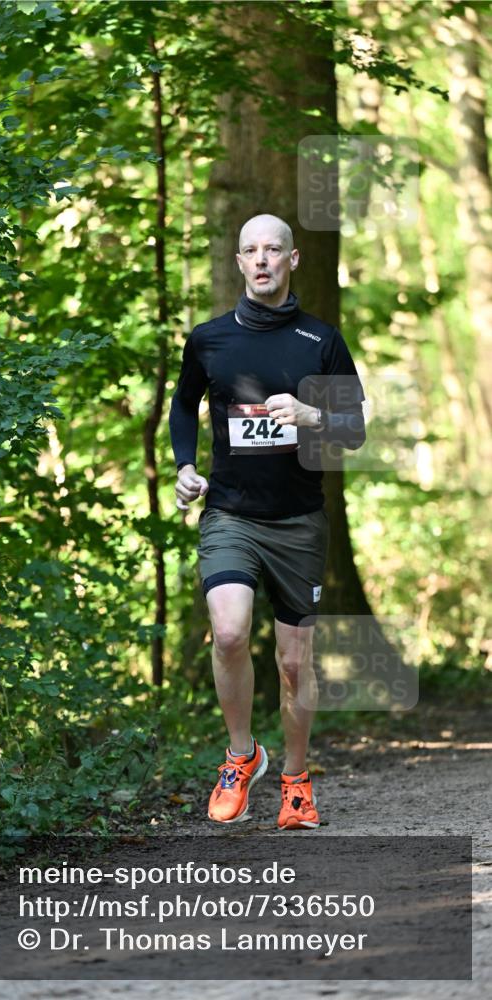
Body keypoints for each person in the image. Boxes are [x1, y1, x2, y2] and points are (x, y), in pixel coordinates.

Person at [169, 214, 365, 830]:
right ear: (238, 261)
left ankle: (296, 781)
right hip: (231, 513)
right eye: (250, 250)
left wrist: (311, 415)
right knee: (228, 633)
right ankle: (239, 754)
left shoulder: (321, 340)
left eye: (273, 250)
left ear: (293, 260)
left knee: (292, 663)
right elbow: (183, 403)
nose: (261, 260)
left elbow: (353, 430)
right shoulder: (209, 339)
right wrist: (184, 466)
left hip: (299, 522)